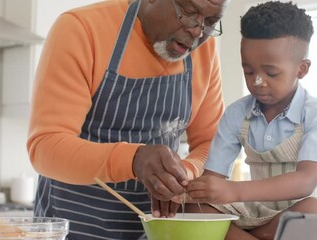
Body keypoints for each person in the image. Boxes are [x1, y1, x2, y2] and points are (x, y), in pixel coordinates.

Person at [26, 0, 230, 239]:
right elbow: (46, 147)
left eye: (210, 22)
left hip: (156, 231)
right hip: (73, 226)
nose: (197, 30)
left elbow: (212, 145)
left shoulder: (204, 50)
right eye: (188, 12)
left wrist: (179, 174)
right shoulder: (82, 28)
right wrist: (134, 159)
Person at [185, 1, 317, 240]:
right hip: (260, 211)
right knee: (192, 209)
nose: (258, 82)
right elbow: (213, 179)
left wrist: (235, 191)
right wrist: (192, 189)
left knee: (311, 213)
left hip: (310, 209)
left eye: (271, 73)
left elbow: (305, 182)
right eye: (248, 71)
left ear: (301, 69)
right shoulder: (236, 113)